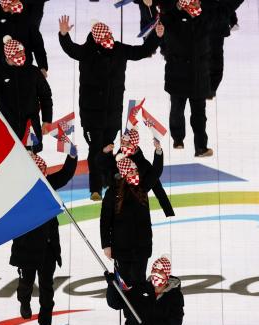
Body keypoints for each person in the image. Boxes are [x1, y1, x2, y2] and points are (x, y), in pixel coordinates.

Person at [58, 15, 163, 201]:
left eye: (110, 35)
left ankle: (107, 180)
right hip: (91, 115)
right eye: (105, 37)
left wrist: (156, 36)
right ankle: (95, 189)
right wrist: (64, 35)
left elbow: (142, 51)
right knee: (95, 149)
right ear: (97, 39)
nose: (110, 40)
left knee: (108, 148)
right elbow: (71, 49)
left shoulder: (119, 49)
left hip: (113, 113)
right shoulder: (87, 51)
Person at [160, 0, 243, 157]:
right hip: (198, 76)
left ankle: (178, 140)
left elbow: (161, 43)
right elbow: (226, 9)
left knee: (177, 109)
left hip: (176, 75)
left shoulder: (168, 19)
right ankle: (200, 147)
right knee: (198, 113)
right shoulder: (205, 18)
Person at [13, 149, 77, 325]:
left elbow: (65, 175)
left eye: (42, 171)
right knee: (26, 282)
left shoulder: (48, 185)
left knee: (47, 287)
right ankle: (24, 302)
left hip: (47, 247)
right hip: (26, 246)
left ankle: (44, 324)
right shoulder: (19, 189)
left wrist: (71, 156)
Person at [100, 138, 164, 285]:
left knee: (139, 284)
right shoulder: (112, 194)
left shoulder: (142, 187)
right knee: (124, 287)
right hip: (121, 249)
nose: (135, 174)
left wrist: (158, 151)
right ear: (123, 174)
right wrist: (106, 245)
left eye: (136, 171)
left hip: (142, 247)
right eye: (132, 172)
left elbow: (156, 172)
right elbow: (105, 220)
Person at [209, 7, 238, 98]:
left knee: (212, 57)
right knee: (215, 58)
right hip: (214, 26)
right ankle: (210, 88)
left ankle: (209, 88)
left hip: (206, 25)